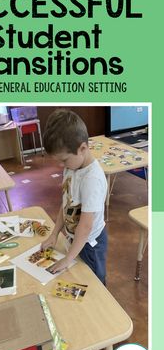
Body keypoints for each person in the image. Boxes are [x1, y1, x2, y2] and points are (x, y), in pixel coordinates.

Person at [41, 109, 108, 284]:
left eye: (64, 160)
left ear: (83, 148)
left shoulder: (92, 179)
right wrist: (54, 234)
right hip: (75, 240)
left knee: (95, 283)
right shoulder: (72, 167)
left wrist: (68, 259)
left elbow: (85, 227)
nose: (61, 165)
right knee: (78, 280)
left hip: (90, 244)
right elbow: (66, 204)